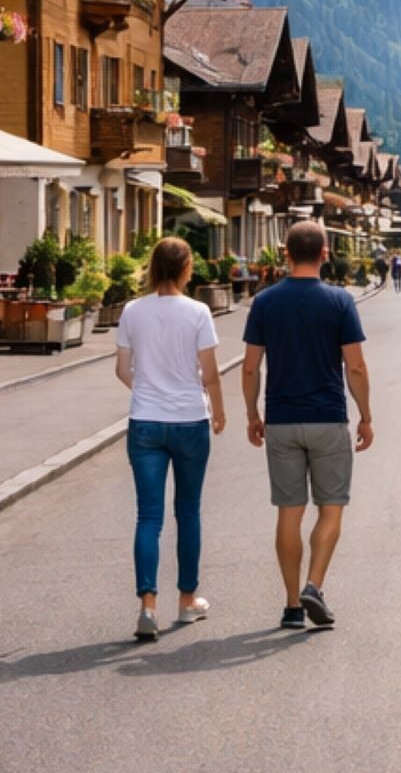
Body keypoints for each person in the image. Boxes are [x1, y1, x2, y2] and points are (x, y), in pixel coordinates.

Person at [242, 220, 372, 631]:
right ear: (325, 254)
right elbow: (355, 365)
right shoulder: (340, 301)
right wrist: (366, 415)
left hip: (281, 420)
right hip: (328, 420)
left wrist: (252, 414)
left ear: (285, 254)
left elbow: (249, 368)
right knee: (331, 509)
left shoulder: (265, 302)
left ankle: (292, 604)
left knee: (289, 513)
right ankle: (315, 584)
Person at [111, 236, 226, 642]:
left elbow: (122, 369)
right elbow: (209, 372)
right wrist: (220, 410)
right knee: (189, 512)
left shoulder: (131, 311)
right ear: (186, 268)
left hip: (145, 421)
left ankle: (147, 607)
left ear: (153, 267)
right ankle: (187, 600)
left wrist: (146, 391)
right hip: (190, 419)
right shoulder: (198, 312)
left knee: (148, 517)